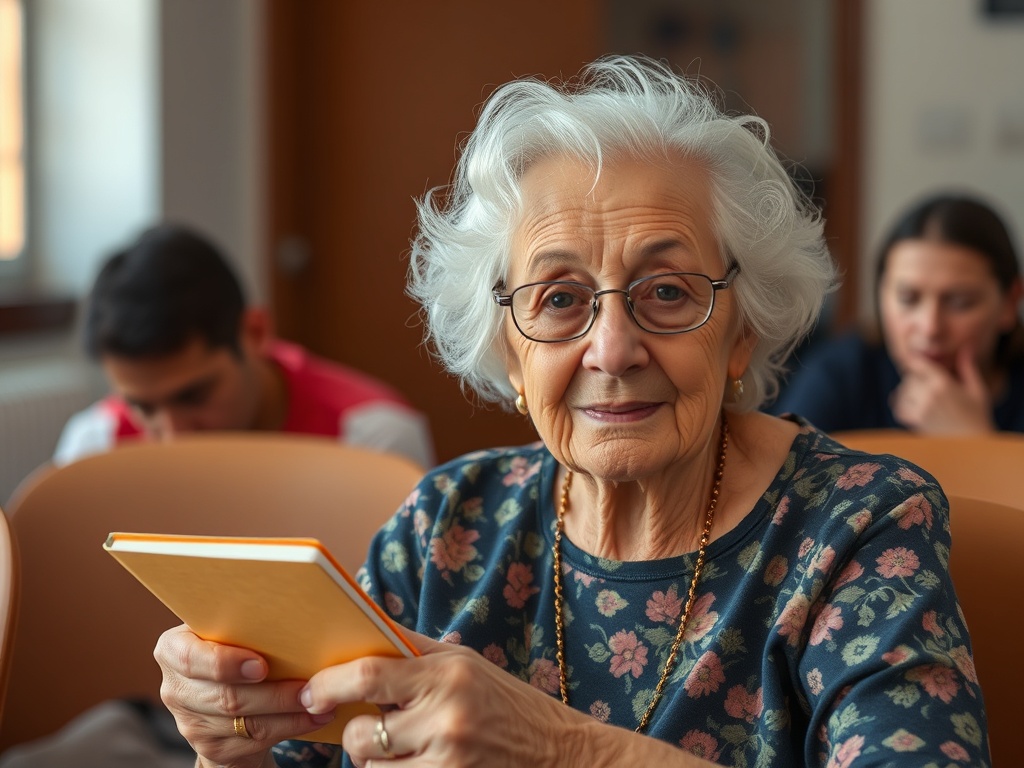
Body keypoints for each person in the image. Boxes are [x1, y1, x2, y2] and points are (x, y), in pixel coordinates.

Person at [154, 56, 990, 767]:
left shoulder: (862, 525)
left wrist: (558, 746)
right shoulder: (445, 529)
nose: (613, 348)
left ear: (743, 332)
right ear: (508, 350)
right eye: (559, 299)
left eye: (668, 293)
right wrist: (234, 738)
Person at [52, 223, 435, 468]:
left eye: (194, 396)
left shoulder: (371, 441)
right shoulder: (94, 447)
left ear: (254, 333)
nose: (173, 436)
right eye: (142, 406)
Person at [770, 193, 1024, 434]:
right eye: (908, 299)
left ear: (1009, 303)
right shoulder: (841, 375)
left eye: (960, 302)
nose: (930, 327)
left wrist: (978, 442)